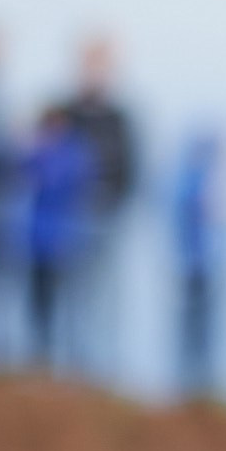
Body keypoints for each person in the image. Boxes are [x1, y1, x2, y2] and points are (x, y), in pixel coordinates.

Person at [61, 37, 136, 380]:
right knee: (73, 290)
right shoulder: (67, 113)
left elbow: (131, 167)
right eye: (91, 62)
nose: (97, 71)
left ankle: (104, 367)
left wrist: (115, 199)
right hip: (70, 215)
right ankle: (73, 364)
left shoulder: (120, 117)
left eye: (102, 64)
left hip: (108, 214)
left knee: (108, 292)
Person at [16, 107, 93, 371]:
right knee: (40, 295)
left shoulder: (75, 154)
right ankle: (40, 351)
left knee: (73, 299)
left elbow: (70, 186)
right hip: (39, 237)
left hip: (68, 237)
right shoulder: (36, 151)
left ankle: (73, 355)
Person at [170, 129, 224, 400]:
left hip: (209, 266)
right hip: (191, 266)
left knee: (207, 325)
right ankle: (185, 381)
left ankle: (201, 382)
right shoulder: (188, 182)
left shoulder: (213, 181)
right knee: (190, 323)